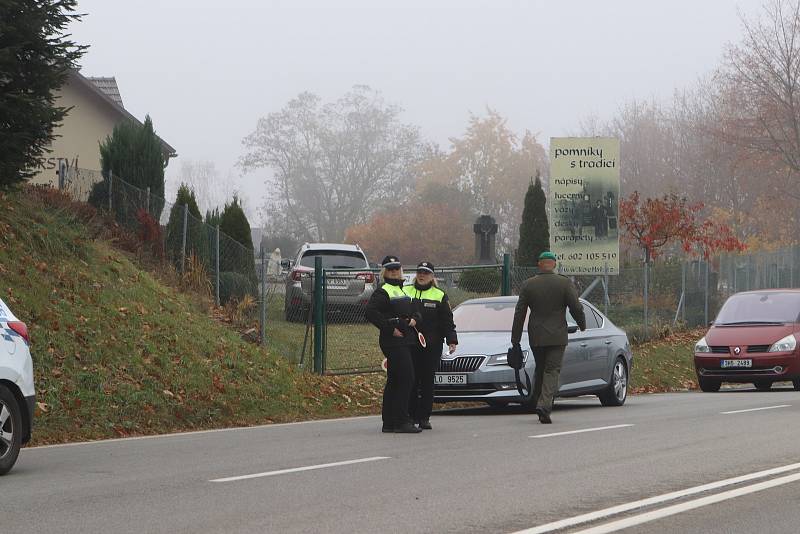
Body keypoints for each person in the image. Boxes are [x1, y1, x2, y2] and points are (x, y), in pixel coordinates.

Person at [510, 251, 586, 424]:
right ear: (554, 264)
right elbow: (576, 307)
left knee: (541, 368)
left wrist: (515, 339)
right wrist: (582, 325)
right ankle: (544, 406)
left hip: (536, 335)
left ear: (539, 264)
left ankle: (536, 402)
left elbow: (519, 313)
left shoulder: (528, 285)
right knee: (552, 370)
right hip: (557, 335)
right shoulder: (564, 283)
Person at [365, 256, 422, 434]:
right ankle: (401, 420)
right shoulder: (384, 291)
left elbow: (415, 311)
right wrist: (390, 329)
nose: (394, 272)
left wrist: (414, 319)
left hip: (405, 340)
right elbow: (370, 312)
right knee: (407, 379)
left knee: (395, 380)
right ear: (385, 272)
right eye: (390, 270)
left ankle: (389, 422)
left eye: (396, 269)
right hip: (394, 341)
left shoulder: (402, 290)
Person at [403, 261, 458, 430]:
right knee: (411, 380)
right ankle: (410, 416)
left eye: (426, 273)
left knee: (427, 381)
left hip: (432, 345)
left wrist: (452, 340)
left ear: (432, 276)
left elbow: (447, 320)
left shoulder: (439, 295)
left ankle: (424, 417)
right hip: (410, 343)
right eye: (420, 272)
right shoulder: (406, 291)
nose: (422, 275)